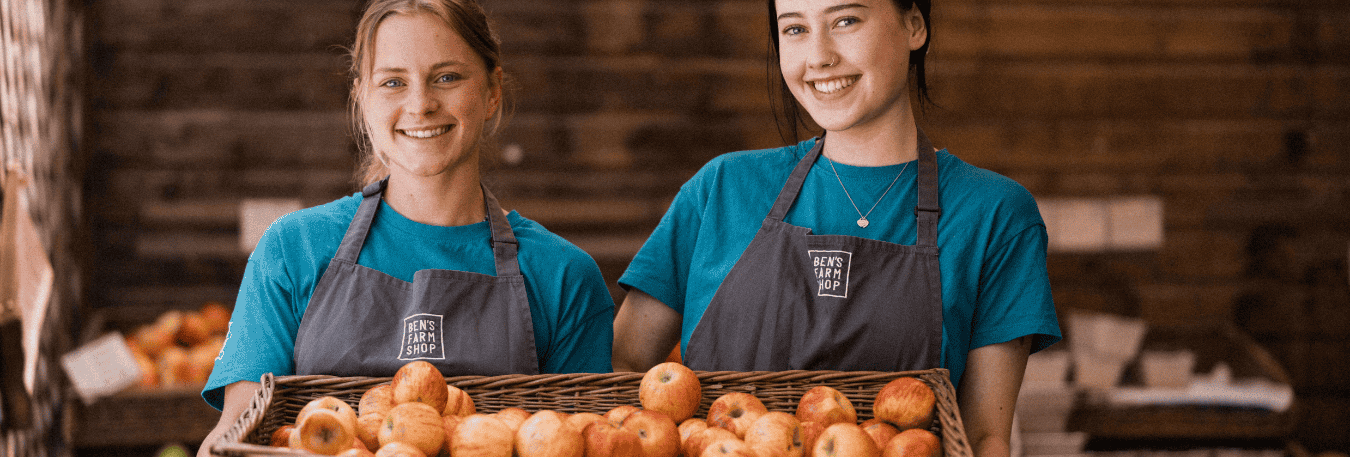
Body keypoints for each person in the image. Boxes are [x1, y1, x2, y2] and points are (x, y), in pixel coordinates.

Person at [611, 1, 1060, 457]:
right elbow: (622, 367)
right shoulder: (722, 190)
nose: (818, 56)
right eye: (795, 29)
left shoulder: (995, 214)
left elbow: (984, 438)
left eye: (846, 21)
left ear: (914, 26)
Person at [196, 0, 615, 454]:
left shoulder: (564, 277)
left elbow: (574, 443)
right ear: (362, 98)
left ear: (493, 91)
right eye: (393, 82)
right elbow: (232, 438)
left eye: (447, 77)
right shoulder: (291, 250)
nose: (421, 104)